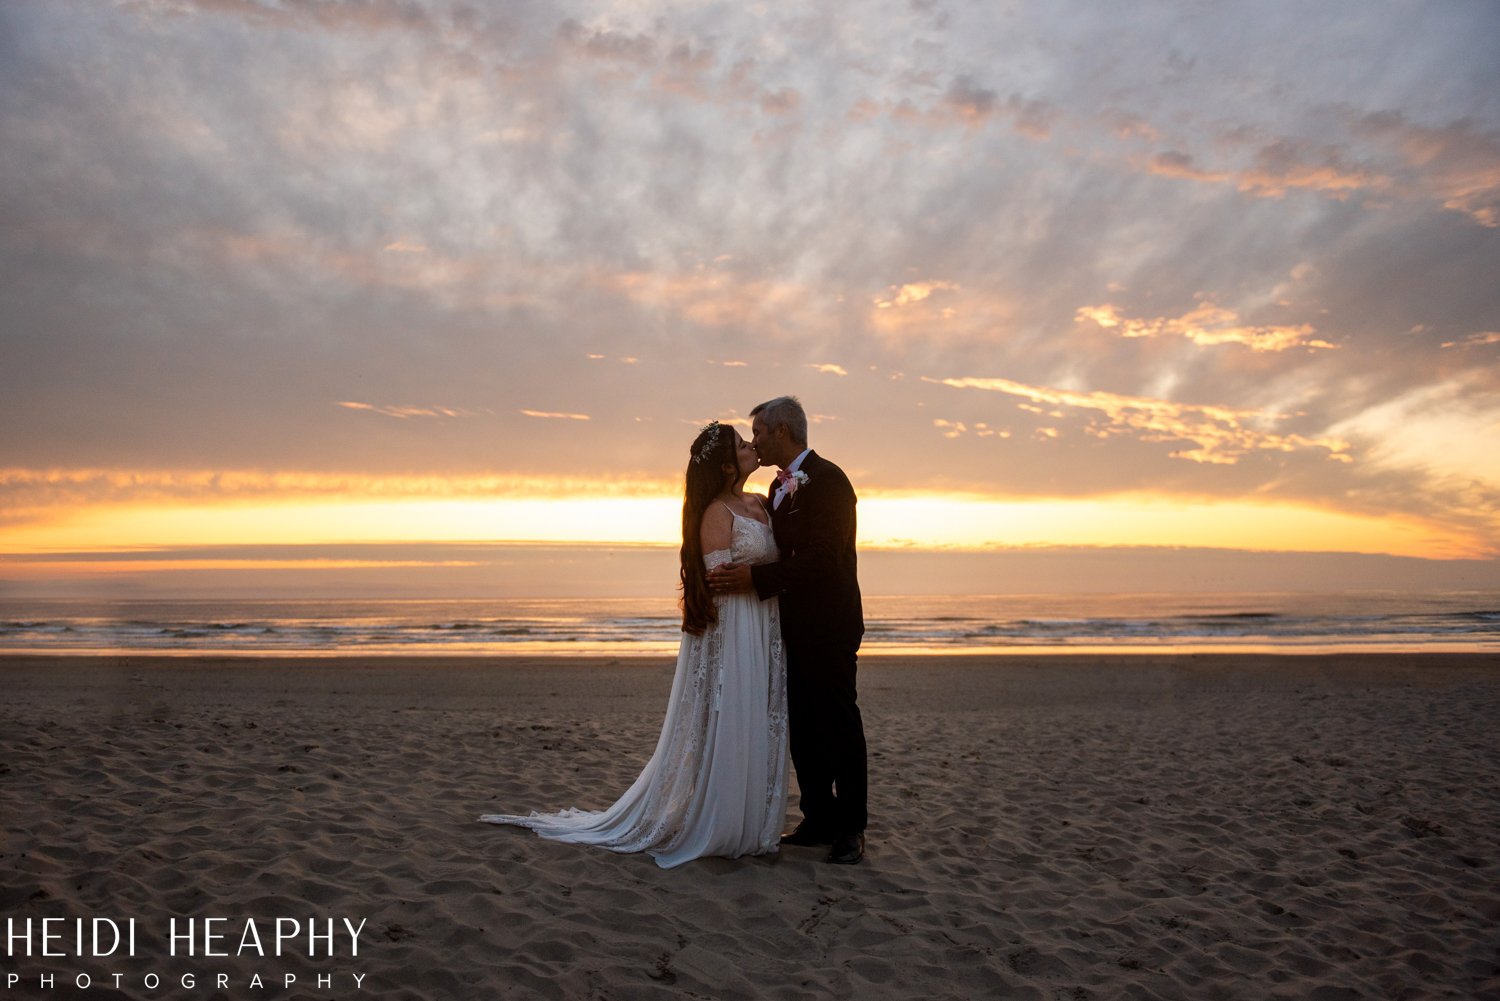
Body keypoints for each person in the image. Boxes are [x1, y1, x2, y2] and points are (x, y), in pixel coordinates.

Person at [479, 421, 788, 869]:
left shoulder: (761, 502)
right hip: (735, 629)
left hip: (763, 626)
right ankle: (720, 820)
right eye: (742, 444)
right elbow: (718, 579)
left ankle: (751, 818)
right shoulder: (717, 513)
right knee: (731, 715)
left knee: (759, 715)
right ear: (725, 466)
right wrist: (752, 582)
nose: (751, 446)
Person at [708, 395, 868, 865]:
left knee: (838, 722)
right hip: (786, 627)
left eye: (757, 432)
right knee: (801, 726)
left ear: (780, 431)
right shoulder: (775, 490)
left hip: (829, 624)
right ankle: (818, 817)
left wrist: (756, 580)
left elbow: (823, 558)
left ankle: (852, 827)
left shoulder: (830, 481)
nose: (753, 441)